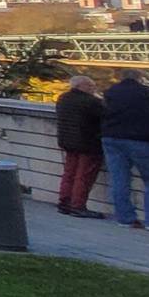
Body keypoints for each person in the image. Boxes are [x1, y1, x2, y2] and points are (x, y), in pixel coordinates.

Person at [98, 69, 149, 232]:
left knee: (119, 179)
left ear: (120, 78)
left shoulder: (109, 93)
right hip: (142, 139)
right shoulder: (148, 93)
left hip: (111, 139)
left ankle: (125, 218)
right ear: (140, 78)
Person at [54, 76, 106, 218]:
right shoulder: (91, 102)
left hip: (68, 141)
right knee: (84, 175)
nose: (93, 88)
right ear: (79, 86)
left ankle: (64, 202)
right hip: (88, 143)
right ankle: (78, 206)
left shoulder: (63, 98)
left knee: (69, 173)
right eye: (89, 85)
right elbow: (105, 116)